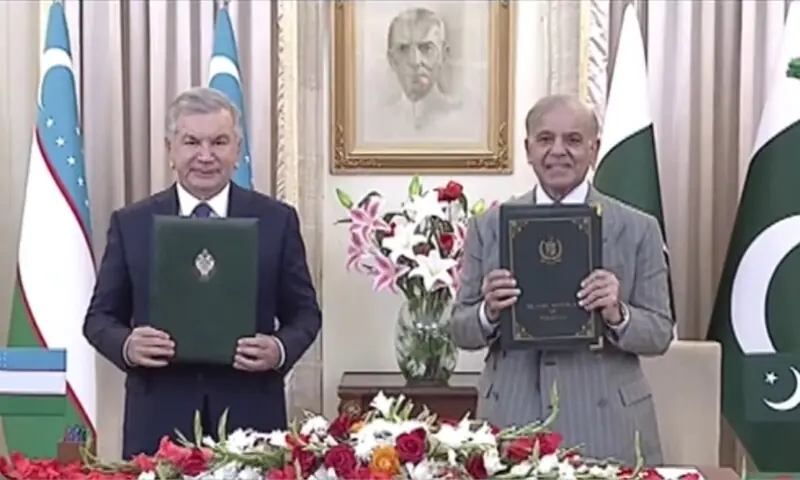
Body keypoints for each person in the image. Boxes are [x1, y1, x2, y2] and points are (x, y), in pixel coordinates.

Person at [83, 87, 322, 459]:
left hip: (251, 418)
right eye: (192, 142)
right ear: (170, 149)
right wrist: (128, 345)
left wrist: (279, 350)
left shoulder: (277, 221)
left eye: (219, 142)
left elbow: (305, 314)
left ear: (237, 149)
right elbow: (99, 319)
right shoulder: (132, 223)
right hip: (158, 422)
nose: (206, 156)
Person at [450, 94, 674, 465]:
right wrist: (487, 312)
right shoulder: (488, 227)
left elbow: (660, 333)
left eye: (573, 140)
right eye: (545, 139)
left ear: (593, 149)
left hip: (608, 426)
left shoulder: (638, 229)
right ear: (528, 149)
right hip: (512, 420)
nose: (558, 151)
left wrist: (618, 313)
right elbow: (460, 330)